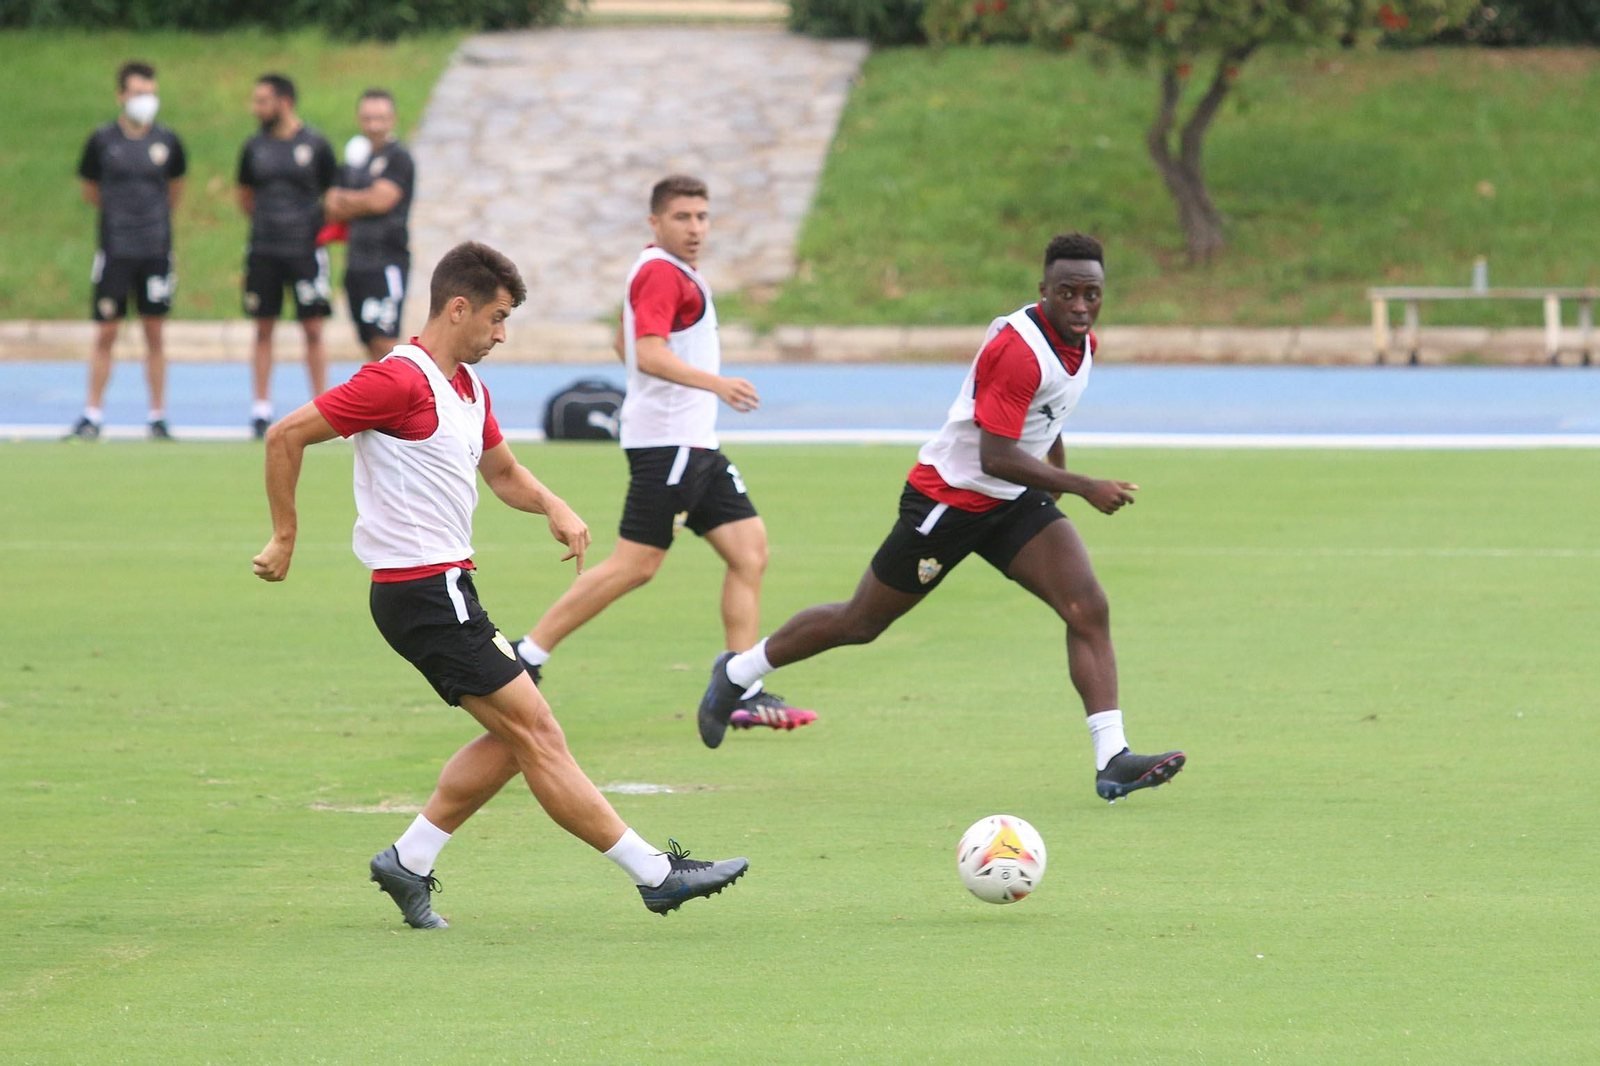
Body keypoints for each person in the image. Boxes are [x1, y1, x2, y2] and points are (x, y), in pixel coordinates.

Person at [253, 242, 747, 928]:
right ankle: (654, 874)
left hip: (449, 589)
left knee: (521, 739)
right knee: (538, 731)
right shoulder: (396, 381)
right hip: (420, 593)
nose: (502, 334)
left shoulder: (468, 389)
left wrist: (554, 505)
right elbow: (285, 436)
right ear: (459, 308)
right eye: (497, 317)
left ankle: (410, 859)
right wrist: (285, 535)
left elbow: (504, 472)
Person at [696, 233, 1186, 803]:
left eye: (1092, 294)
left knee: (1087, 606)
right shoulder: (1018, 350)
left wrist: (1054, 488)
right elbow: (995, 454)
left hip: (1011, 498)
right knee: (861, 623)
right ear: (1043, 291)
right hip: (948, 502)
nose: (1081, 306)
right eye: (1068, 293)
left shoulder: (1081, 344)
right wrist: (1082, 487)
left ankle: (1113, 759)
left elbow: (1045, 420)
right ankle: (736, 673)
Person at [514, 175, 816, 733]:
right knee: (635, 565)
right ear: (656, 222)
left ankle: (738, 684)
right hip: (670, 446)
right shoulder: (659, 272)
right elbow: (648, 355)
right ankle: (527, 656)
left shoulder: (666, 271)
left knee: (749, 552)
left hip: (694, 444)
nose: (696, 228)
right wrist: (715, 384)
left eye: (702, 216)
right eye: (683, 217)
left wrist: (686, 387)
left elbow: (624, 344)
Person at [67, 61, 187, 441]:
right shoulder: (102, 141)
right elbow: (90, 191)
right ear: (121, 96)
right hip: (115, 249)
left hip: (155, 249)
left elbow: (175, 191)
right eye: (137, 93)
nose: (145, 100)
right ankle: (93, 413)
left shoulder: (168, 142)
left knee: (155, 332)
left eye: (150, 92)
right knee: (106, 331)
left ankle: (157, 415)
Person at [237, 73, 337, 439]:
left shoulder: (316, 144)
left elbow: (333, 195)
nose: (256, 108)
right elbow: (245, 196)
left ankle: (323, 407)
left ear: (284, 101)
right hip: (264, 248)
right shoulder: (253, 147)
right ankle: (261, 409)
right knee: (263, 327)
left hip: (306, 250)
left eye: (262, 100)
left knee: (313, 328)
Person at [325, 88, 415, 361]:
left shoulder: (399, 158)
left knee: (384, 342)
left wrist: (349, 200)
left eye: (380, 118)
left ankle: (400, 402)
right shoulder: (355, 161)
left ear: (393, 119)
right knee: (366, 339)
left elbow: (381, 201)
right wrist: (361, 200)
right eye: (368, 118)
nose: (374, 125)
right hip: (357, 262)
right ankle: (383, 402)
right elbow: (330, 205)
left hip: (386, 261)